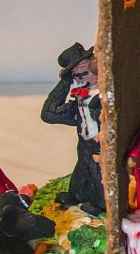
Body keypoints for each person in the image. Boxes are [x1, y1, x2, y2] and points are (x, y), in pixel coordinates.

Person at [41, 44, 105, 215]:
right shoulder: (79, 100)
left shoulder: (107, 96)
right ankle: (77, 193)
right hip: (85, 144)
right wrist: (65, 81)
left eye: (84, 72)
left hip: (103, 146)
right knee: (83, 168)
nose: (80, 78)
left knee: (99, 173)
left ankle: (101, 203)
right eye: (75, 75)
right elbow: (48, 114)